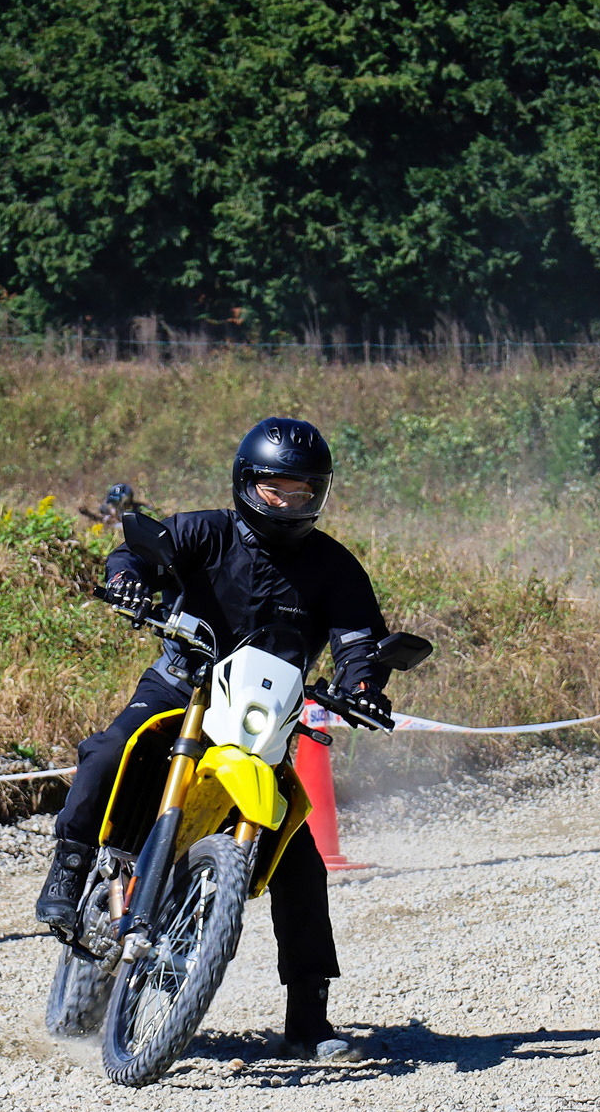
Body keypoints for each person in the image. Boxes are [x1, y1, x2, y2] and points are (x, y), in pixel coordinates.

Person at [37, 418, 391, 1061]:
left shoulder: (336, 568)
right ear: (246, 483)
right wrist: (129, 578)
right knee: (112, 751)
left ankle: (308, 1020)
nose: (289, 502)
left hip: (263, 719)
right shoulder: (206, 529)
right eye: (276, 488)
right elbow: (141, 550)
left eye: (303, 490)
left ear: (321, 493)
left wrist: (364, 683)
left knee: (301, 859)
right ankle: (68, 868)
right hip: (185, 684)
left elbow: (360, 641)